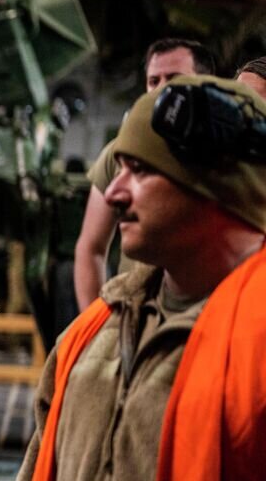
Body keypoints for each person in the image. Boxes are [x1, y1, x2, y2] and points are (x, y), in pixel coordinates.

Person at [0, 75, 266, 481]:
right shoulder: (95, 335)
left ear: (212, 187)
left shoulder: (254, 348)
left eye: (140, 169)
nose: (112, 192)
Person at [73, 39, 216, 310]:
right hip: (135, 313)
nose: (160, 89)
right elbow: (90, 247)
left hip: (203, 312)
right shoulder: (119, 152)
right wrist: (95, 325)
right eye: (153, 81)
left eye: (174, 79)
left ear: (207, 84)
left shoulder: (221, 155)